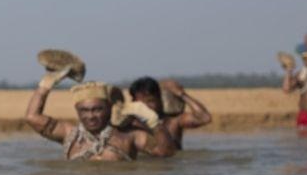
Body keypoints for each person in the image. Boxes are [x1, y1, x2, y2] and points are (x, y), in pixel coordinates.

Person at [25, 67, 176, 160]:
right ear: (77, 110)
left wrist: (153, 121)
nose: (91, 116)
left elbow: (166, 152)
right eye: (84, 110)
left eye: (97, 109)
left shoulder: (129, 136)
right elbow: (32, 117)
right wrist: (45, 85)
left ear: (110, 108)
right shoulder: (68, 133)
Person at [126, 77, 211, 150]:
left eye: (150, 101)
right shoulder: (132, 124)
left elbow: (205, 118)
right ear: (134, 103)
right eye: (141, 104)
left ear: (160, 100)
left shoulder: (173, 121)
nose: (146, 107)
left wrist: (181, 94)